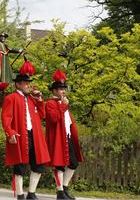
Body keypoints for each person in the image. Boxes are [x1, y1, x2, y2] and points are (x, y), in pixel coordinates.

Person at [1, 61, 50, 200]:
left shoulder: (32, 99)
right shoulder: (11, 98)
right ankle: (20, 195)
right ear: (18, 84)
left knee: (39, 164)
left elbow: (42, 115)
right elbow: (6, 118)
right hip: (20, 135)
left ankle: (31, 193)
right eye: (26, 83)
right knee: (20, 166)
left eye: (29, 83)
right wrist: (9, 132)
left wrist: (40, 99)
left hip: (34, 135)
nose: (29, 85)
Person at [45, 70, 84, 200]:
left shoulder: (63, 103)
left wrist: (64, 106)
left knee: (73, 163)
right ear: (54, 91)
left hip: (67, 137)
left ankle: (65, 188)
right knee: (59, 165)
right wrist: (63, 107)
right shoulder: (50, 103)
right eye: (61, 89)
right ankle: (60, 191)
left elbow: (68, 122)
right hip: (58, 139)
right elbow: (54, 118)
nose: (63, 91)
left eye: (64, 89)